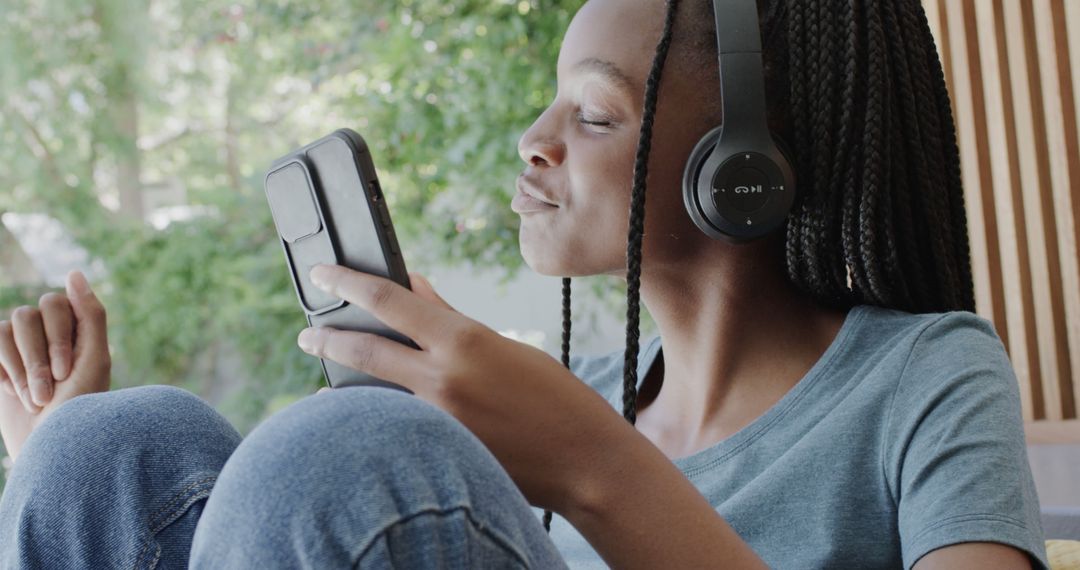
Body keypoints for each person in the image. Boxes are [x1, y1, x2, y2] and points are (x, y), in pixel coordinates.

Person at [0, 0, 1049, 568]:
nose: (534, 141)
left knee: (354, 452)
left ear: (746, 170)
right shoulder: (567, 393)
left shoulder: (925, 375)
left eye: (592, 114)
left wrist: (600, 469)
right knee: (106, 448)